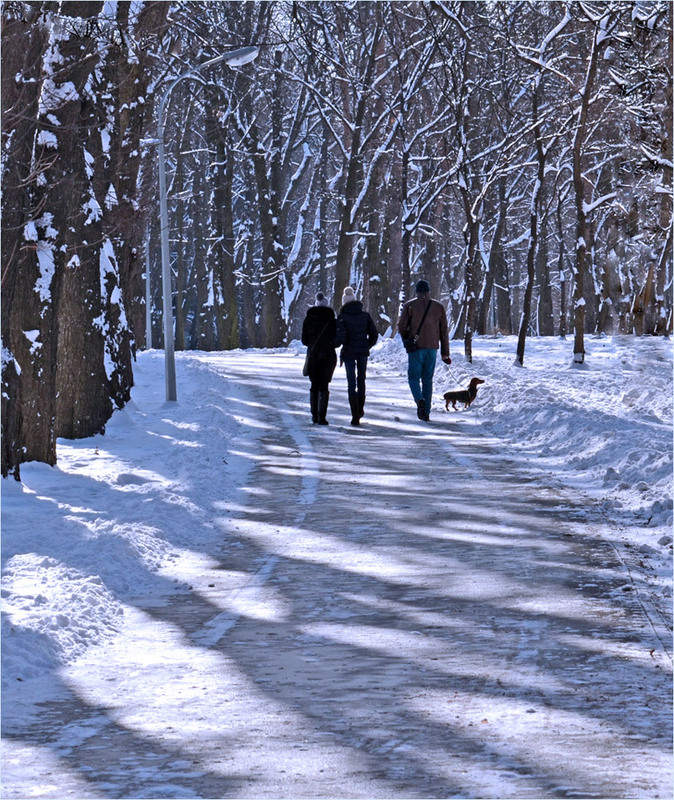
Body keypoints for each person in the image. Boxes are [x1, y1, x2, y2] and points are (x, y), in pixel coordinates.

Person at [398, 279, 451, 421]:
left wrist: (407, 338)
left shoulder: (410, 306)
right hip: (432, 348)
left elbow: (401, 326)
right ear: (428, 292)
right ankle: (426, 412)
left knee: (413, 377)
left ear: (417, 292)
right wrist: (445, 353)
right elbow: (444, 331)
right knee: (428, 379)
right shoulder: (438, 307)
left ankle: (419, 399)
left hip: (416, 348)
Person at [335, 286, 379, 426]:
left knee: (351, 383)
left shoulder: (342, 317)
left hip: (348, 353)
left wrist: (334, 343)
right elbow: (374, 334)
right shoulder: (365, 316)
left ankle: (355, 414)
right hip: (362, 352)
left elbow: (341, 337)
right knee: (361, 380)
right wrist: (368, 345)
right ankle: (360, 409)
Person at [301, 292, 337, 425]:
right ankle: (322, 416)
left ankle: (314, 415)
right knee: (324, 385)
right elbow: (337, 340)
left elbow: (304, 340)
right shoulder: (332, 319)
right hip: (328, 355)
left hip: (313, 355)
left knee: (314, 385)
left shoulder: (309, 319)